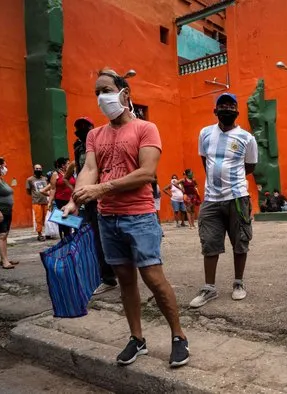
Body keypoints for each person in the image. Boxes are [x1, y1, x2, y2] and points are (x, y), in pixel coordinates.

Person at [61, 68, 189, 366]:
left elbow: (146, 173)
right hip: (108, 218)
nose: (101, 97)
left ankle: (179, 336)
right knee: (125, 281)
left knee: (154, 279)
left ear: (124, 93)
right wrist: (75, 198)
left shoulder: (146, 128)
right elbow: (89, 169)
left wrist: (101, 188)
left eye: (106, 89)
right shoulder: (95, 135)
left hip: (140, 217)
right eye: (97, 93)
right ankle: (137, 339)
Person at [189, 93, 258, 308]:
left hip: (237, 197)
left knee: (240, 241)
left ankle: (238, 283)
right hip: (210, 199)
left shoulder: (247, 138)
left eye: (231, 105)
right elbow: (205, 161)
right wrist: (216, 180)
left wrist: (232, 180)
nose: (226, 108)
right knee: (209, 243)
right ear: (215, 110)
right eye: (222, 105)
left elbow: (251, 166)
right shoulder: (205, 134)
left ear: (237, 111)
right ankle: (209, 288)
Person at [73, 116, 118, 295]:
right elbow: (80, 170)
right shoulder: (78, 147)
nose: (82, 130)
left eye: (85, 126)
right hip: (89, 199)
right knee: (97, 238)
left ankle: (122, 270)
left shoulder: (103, 140)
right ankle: (107, 277)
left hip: (104, 194)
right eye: (78, 127)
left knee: (114, 235)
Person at [48, 157, 76, 239]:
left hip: (72, 199)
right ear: (62, 165)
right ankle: (66, 239)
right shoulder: (55, 174)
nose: (69, 165)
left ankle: (74, 238)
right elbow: (53, 189)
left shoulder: (72, 173)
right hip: (61, 200)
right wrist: (50, 202)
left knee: (74, 221)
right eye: (67, 163)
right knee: (64, 222)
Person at [26, 164, 49, 241]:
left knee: (47, 218)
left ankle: (48, 233)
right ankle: (40, 234)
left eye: (39, 168)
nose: (38, 170)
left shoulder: (45, 179)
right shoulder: (30, 179)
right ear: (34, 169)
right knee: (38, 219)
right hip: (36, 202)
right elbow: (28, 191)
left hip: (46, 201)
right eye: (36, 168)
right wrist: (35, 195)